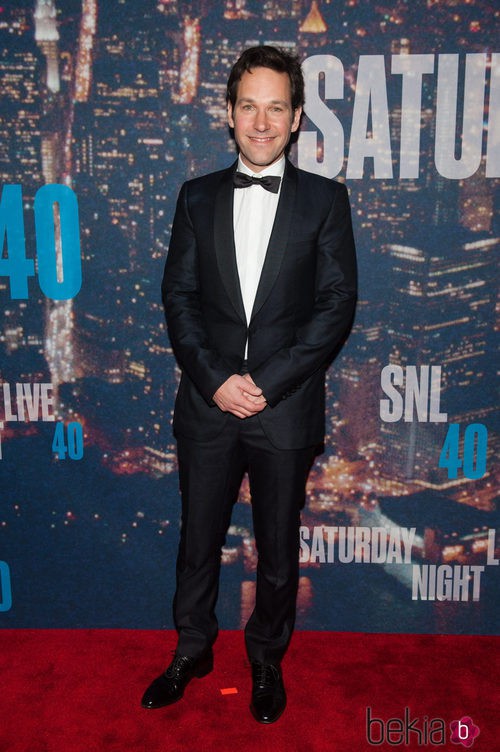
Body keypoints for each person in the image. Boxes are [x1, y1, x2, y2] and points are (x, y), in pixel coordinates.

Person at [142, 45, 357, 724]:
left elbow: (335, 306)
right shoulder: (196, 196)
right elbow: (178, 297)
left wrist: (262, 382)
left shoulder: (326, 200)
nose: (261, 122)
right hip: (207, 407)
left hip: (283, 408)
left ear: (296, 119)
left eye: (275, 108)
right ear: (229, 114)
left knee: (277, 549)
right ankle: (192, 649)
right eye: (248, 107)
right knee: (197, 541)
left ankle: (266, 657)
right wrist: (215, 382)